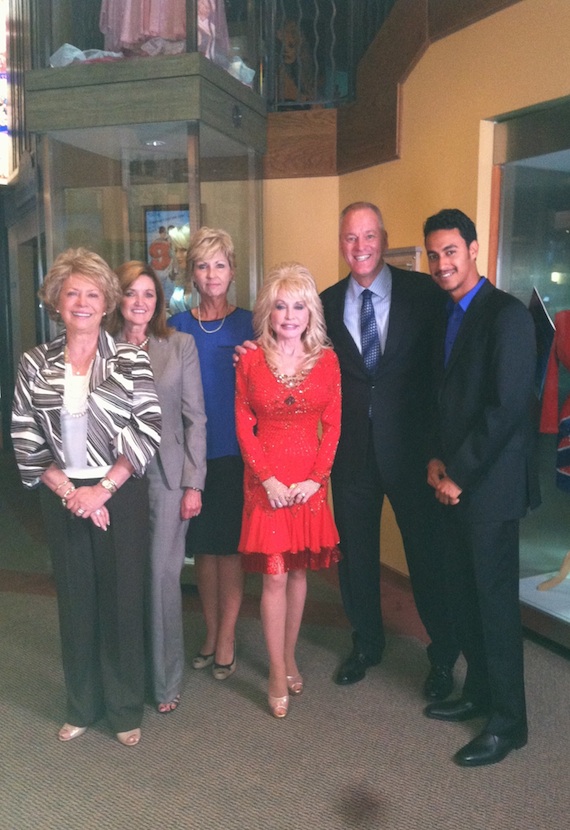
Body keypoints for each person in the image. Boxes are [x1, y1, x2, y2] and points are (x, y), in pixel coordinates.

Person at [11, 248, 161, 747]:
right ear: (56, 300)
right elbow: (26, 437)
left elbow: (148, 429)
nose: (81, 302)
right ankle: (81, 703)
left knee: (122, 601)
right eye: (72, 292)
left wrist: (102, 491)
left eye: (92, 294)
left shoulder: (130, 358)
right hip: (63, 495)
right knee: (75, 603)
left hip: (119, 493)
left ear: (107, 303)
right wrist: (73, 494)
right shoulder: (35, 363)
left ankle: (122, 709)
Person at [320, 202, 459, 697]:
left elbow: (448, 366)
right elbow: (299, 355)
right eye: (350, 238)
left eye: (368, 236)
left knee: (427, 555)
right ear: (343, 244)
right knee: (355, 557)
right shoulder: (326, 302)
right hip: (352, 455)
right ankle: (367, 644)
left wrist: (443, 447)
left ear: (382, 237)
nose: (360, 247)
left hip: (413, 453)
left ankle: (443, 656)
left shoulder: (424, 293)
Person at [423, 208, 540, 767]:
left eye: (451, 251)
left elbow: (506, 406)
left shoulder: (506, 314)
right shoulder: (448, 314)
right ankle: (478, 693)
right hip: (452, 480)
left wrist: (459, 475)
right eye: (434, 254)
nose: (443, 263)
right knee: (462, 596)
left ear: (473, 249)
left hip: (487, 490)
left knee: (494, 606)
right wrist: (435, 462)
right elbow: (445, 400)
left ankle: (509, 722)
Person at [235, 262, 341, 718]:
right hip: (268, 485)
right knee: (274, 574)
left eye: (298, 305)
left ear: (310, 312)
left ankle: (290, 653)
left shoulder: (329, 360)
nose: (289, 315)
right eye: (280, 305)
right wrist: (269, 479)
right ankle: (276, 669)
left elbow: (334, 425)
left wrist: (315, 479)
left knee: (298, 573)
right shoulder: (249, 359)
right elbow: (243, 422)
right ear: (268, 312)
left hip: (309, 484)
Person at [107, 260, 207, 714]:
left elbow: (195, 418)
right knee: (124, 577)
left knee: (163, 577)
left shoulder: (179, 344)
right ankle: (128, 675)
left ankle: (165, 682)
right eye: (132, 293)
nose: (141, 303)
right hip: (114, 479)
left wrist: (194, 483)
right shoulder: (102, 346)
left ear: (159, 302)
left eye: (149, 294)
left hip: (167, 478)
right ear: (119, 299)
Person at [169, 227, 253, 681]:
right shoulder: (177, 327)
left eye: (219, 264)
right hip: (192, 456)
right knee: (202, 549)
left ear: (232, 270)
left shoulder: (252, 323)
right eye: (203, 265)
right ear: (192, 274)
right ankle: (210, 629)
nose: (211, 273)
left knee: (231, 549)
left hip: (239, 452)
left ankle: (227, 636)